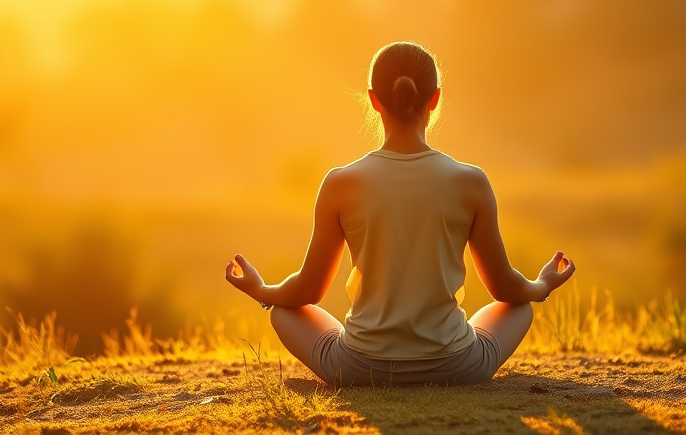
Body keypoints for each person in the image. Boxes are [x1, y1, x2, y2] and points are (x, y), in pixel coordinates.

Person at [226, 41, 575, 386]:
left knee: (283, 311)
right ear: (435, 99)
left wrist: (262, 290)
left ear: (374, 100)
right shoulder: (471, 181)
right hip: (457, 366)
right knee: (520, 306)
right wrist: (542, 285)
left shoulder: (340, 183)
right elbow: (504, 288)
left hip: (361, 369)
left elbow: (308, 290)